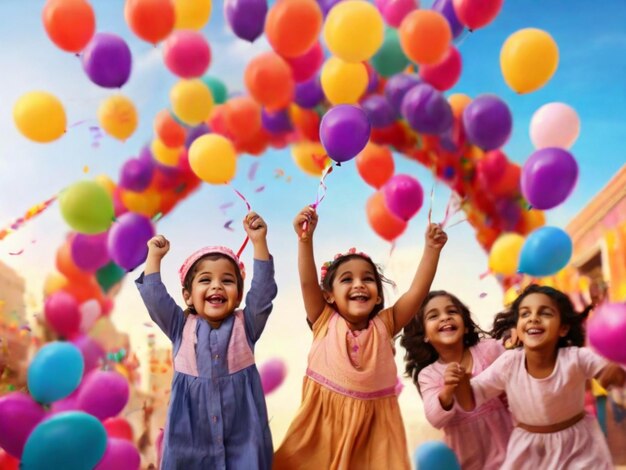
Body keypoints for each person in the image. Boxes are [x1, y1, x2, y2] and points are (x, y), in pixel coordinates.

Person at [273, 206, 447, 470]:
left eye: (368, 279)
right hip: (323, 430)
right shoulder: (323, 320)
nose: (359, 284)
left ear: (378, 296)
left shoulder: (385, 324)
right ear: (328, 295)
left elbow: (417, 293)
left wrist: (432, 250)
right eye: (347, 279)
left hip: (373, 432)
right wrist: (305, 240)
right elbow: (308, 282)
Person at [136, 212, 277, 470]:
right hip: (189, 442)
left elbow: (264, 291)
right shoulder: (179, 327)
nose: (217, 286)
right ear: (188, 296)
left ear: (238, 295)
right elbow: (155, 299)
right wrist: (153, 257)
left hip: (243, 441)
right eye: (205, 280)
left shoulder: (247, 325)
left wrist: (259, 242)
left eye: (227, 280)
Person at [451, 284, 626, 469]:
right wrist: (460, 382)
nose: (533, 318)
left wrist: (614, 373)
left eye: (545, 313)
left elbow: (613, 375)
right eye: (525, 314)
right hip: (529, 450)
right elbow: (470, 399)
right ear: (517, 328)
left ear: (563, 328)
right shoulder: (509, 363)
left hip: (579, 446)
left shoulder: (576, 357)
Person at [400, 291, 513, 469]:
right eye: (433, 316)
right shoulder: (429, 374)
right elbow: (435, 419)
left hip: (509, 452)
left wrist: (514, 339)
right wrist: (447, 391)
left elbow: (515, 363)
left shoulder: (488, 350)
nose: (445, 317)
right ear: (425, 335)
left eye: (451, 312)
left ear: (466, 326)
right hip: (468, 461)